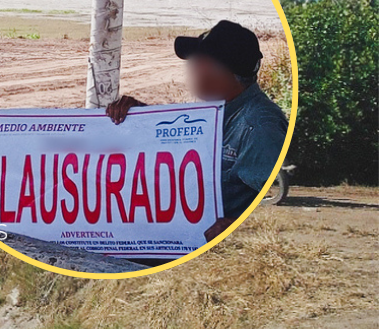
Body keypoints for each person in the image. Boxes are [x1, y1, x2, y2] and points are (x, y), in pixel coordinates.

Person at [106, 19, 287, 242]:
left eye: (199, 61)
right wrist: (140, 117)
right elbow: (177, 138)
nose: (191, 68)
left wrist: (237, 225)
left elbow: (277, 203)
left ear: (222, 70)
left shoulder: (259, 125)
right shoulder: (214, 111)